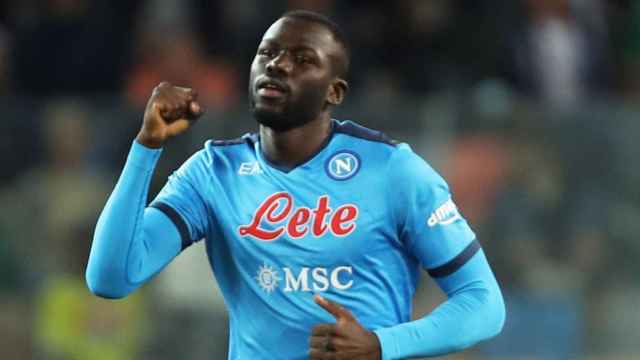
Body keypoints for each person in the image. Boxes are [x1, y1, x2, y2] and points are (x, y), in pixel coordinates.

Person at [86, 10, 505, 359]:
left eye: (303, 59)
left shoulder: (395, 171)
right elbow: (111, 277)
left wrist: (381, 345)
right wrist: (146, 147)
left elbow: (483, 303)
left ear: (334, 92)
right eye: (267, 53)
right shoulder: (213, 172)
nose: (278, 65)